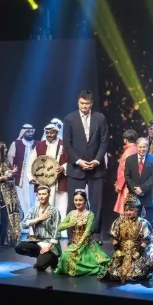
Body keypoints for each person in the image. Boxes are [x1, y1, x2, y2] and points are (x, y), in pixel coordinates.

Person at [63, 90, 108, 243]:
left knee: (97, 203)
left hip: (96, 168)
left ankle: (95, 234)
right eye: (82, 103)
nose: (84, 106)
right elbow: (67, 145)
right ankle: (73, 235)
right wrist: (78, 161)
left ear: (92, 103)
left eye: (87, 104)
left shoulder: (100, 118)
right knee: (73, 203)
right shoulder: (69, 119)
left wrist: (97, 160)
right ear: (78, 103)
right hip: (76, 168)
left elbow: (104, 142)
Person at [55, 189, 110, 277]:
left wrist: (78, 246)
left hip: (86, 244)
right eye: (75, 200)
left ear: (85, 201)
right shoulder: (71, 213)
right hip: (74, 243)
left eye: (80, 200)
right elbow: (59, 227)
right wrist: (71, 223)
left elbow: (87, 232)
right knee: (65, 257)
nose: (77, 202)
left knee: (81, 263)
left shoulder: (89, 214)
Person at [101, 193, 153, 283]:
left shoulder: (142, 223)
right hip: (122, 252)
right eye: (126, 210)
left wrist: (138, 252)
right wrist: (117, 249)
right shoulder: (119, 221)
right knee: (114, 273)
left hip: (137, 252)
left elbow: (145, 240)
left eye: (131, 210)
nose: (128, 212)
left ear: (136, 210)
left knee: (135, 274)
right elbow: (114, 237)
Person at [27, 123, 68, 228]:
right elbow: (31, 162)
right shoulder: (39, 145)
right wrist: (31, 177)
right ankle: (41, 229)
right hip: (43, 182)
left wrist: (63, 167)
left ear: (57, 133)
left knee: (60, 205)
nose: (49, 135)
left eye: (52, 132)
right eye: (47, 133)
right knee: (42, 205)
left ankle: (59, 229)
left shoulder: (64, 144)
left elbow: (71, 160)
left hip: (59, 181)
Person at [15, 185, 61, 271]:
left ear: (49, 195)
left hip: (49, 244)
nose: (41, 196)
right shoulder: (33, 210)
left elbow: (57, 231)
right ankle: (40, 255)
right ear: (37, 195)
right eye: (39, 194)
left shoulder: (54, 211)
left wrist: (49, 247)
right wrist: (39, 218)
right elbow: (24, 224)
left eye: (44, 194)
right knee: (18, 247)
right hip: (36, 242)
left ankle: (53, 258)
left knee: (40, 266)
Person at [125, 138, 153, 223]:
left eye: (144, 147)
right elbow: (127, 177)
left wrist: (142, 188)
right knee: (134, 221)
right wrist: (135, 189)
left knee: (151, 221)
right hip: (134, 195)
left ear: (147, 147)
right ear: (136, 147)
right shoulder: (129, 159)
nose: (142, 149)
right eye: (140, 147)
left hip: (149, 195)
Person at [7, 123, 36, 218]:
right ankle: (22, 222)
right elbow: (10, 161)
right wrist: (12, 172)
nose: (30, 134)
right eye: (28, 132)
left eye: (31, 131)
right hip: (20, 179)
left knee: (33, 199)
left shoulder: (37, 144)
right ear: (23, 132)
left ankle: (33, 221)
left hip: (34, 177)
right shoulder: (16, 144)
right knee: (21, 199)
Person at [114, 129, 139, 214]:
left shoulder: (128, 152)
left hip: (127, 186)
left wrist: (119, 186)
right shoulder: (138, 149)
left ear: (125, 140)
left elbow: (123, 171)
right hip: (138, 186)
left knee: (126, 211)